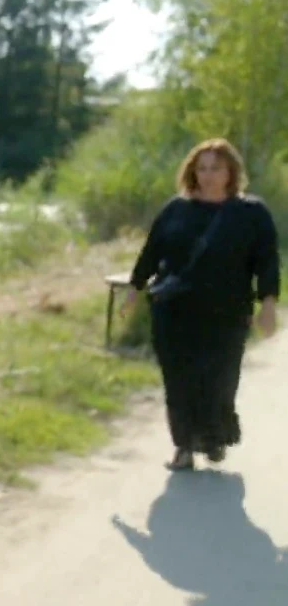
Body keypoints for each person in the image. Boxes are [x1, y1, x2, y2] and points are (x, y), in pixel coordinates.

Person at [120, 137, 279, 470]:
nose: (207, 176)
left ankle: (214, 436)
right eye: (201, 168)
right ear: (192, 172)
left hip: (227, 313)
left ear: (230, 172)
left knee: (220, 379)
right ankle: (183, 447)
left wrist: (267, 305)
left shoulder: (251, 214)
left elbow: (266, 262)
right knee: (179, 380)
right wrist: (134, 288)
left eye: (215, 168)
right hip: (175, 310)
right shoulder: (176, 210)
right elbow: (152, 252)